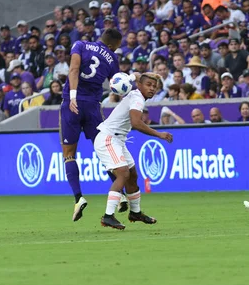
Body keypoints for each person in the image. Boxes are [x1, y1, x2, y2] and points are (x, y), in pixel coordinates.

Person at [94, 72, 172, 230]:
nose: (152, 89)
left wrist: (134, 75)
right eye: (148, 85)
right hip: (108, 138)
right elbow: (136, 123)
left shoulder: (136, 95)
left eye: (154, 87)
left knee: (132, 175)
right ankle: (108, 216)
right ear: (140, 85)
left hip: (118, 140)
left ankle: (135, 213)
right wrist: (159, 134)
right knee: (123, 173)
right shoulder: (137, 98)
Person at [61, 29, 123, 221]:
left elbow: (73, 69)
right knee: (104, 151)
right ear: (112, 45)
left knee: (69, 155)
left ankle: (78, 198)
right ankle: (119, 195)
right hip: (93, 107)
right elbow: (117, 84)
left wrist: (72, 96)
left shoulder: (80, 45)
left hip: (72, 103)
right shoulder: (112, 58)